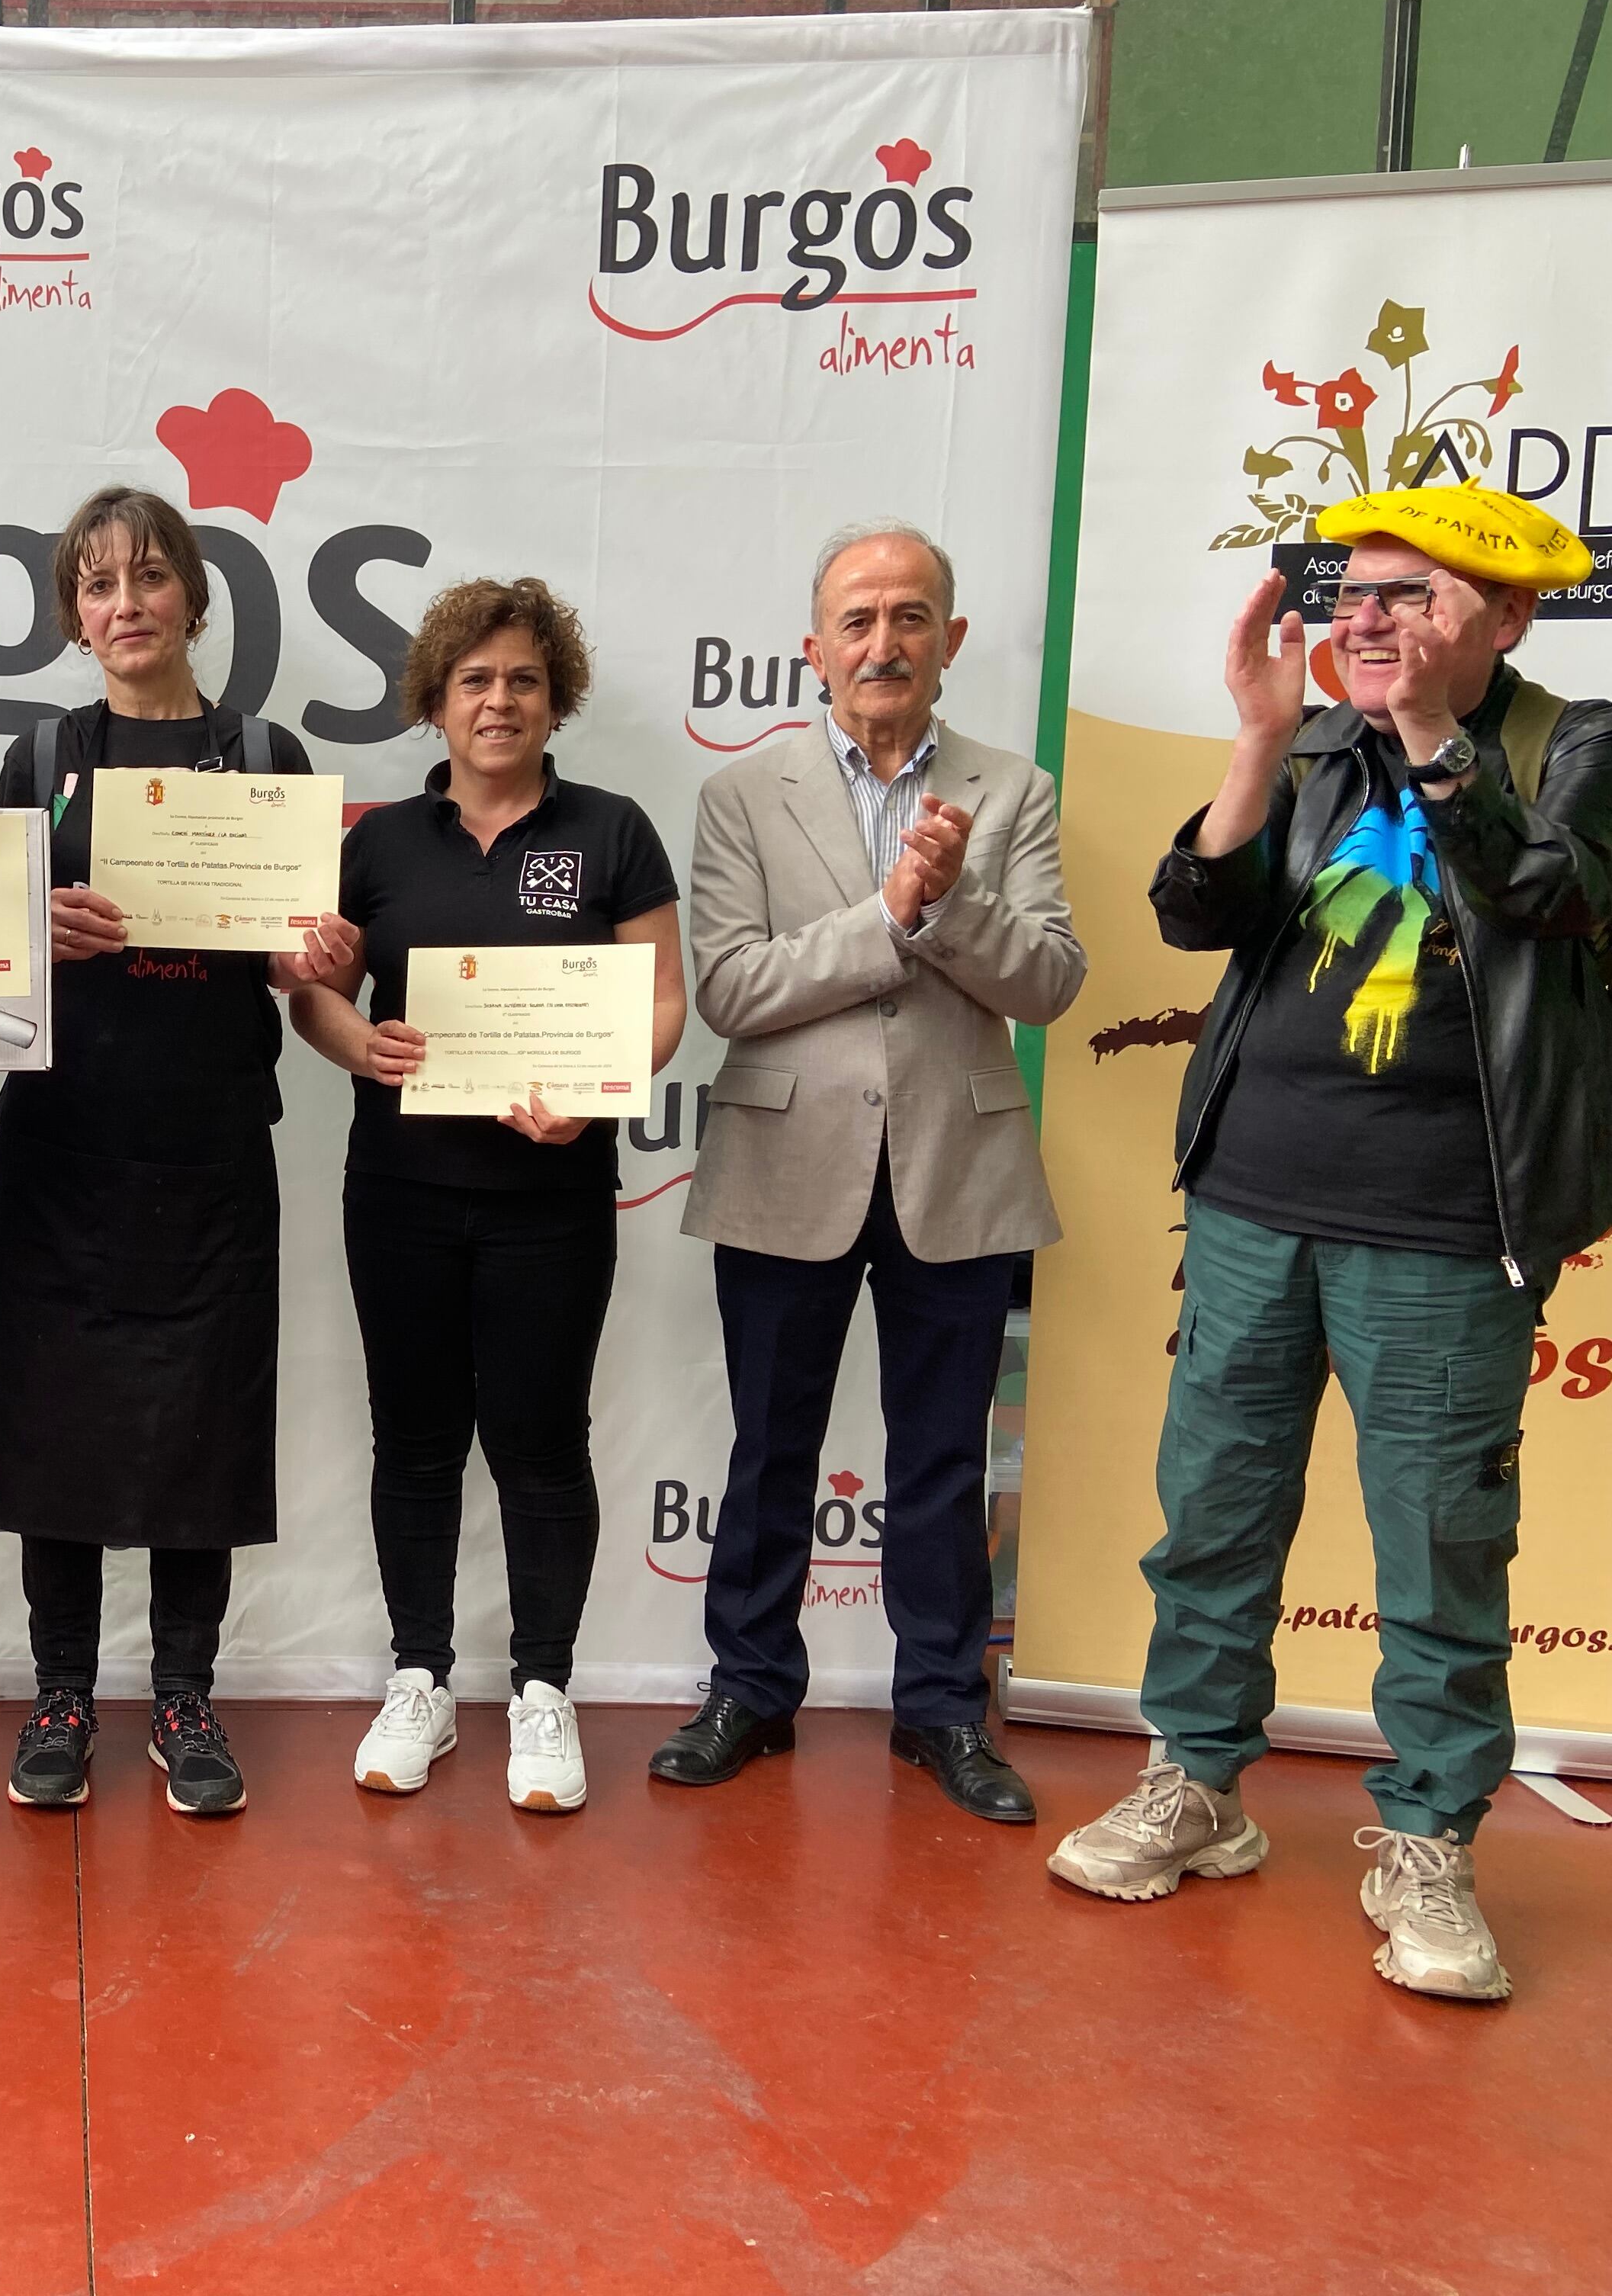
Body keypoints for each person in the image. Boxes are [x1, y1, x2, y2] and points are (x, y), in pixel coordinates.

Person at [1050, 483, 1612, 2002]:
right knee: (1215, 1511)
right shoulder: (1309, 745)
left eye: (1410, 599)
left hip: (1446, 1224)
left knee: (1440, 1546)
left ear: (1508, 618)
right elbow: (1193, 912)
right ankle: (1201, 1786)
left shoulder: (1574, 745)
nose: (1369, 624)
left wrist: (1435, 739)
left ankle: (1429, 1841)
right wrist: (1251, 736)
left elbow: (1542, 893)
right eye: (1355, 597)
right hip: (1250, 1201)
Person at [651, 520, 1081, 1823]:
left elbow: (1051, 982)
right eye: (857, 619)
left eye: (910, 617)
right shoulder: (742, 794)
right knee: (771, 1446)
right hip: (788, 1162)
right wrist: (895, 917)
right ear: (814, 650)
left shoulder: (1014, 788)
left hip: (961, 1168)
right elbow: (730, 987)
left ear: (949, 642)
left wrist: (955, 902)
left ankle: (946, 1709)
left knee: (945, 1456)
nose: (882, 642)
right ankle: (749, 1690)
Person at [0, 486, 354, 1820]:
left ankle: (184, 1695)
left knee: (200, 1436)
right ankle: (62, 1692)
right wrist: (25, 937)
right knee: (54, 1430)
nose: (127, 605)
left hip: (211, 1149)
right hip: (65, 1150)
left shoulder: (268, 756)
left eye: (150, 578)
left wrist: (317, 959)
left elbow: (300, 968)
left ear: (195, 596)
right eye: (99, 585)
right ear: (74, 615)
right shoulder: (34, 757)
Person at [288, 577, 688, 1814]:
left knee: (539, 1443)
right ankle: (419, 1682)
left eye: (522, 678)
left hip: (552, 1200)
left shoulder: (612, 830)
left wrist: (603, 1087)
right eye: (475, 680)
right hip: (399, 1194)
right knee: (412, 1444)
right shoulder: (377, 845)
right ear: (437, 702)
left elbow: (665, 997)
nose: (499, 700)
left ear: (555, 696)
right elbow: (314, 993)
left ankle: (544, 1694)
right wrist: (360, 1045)